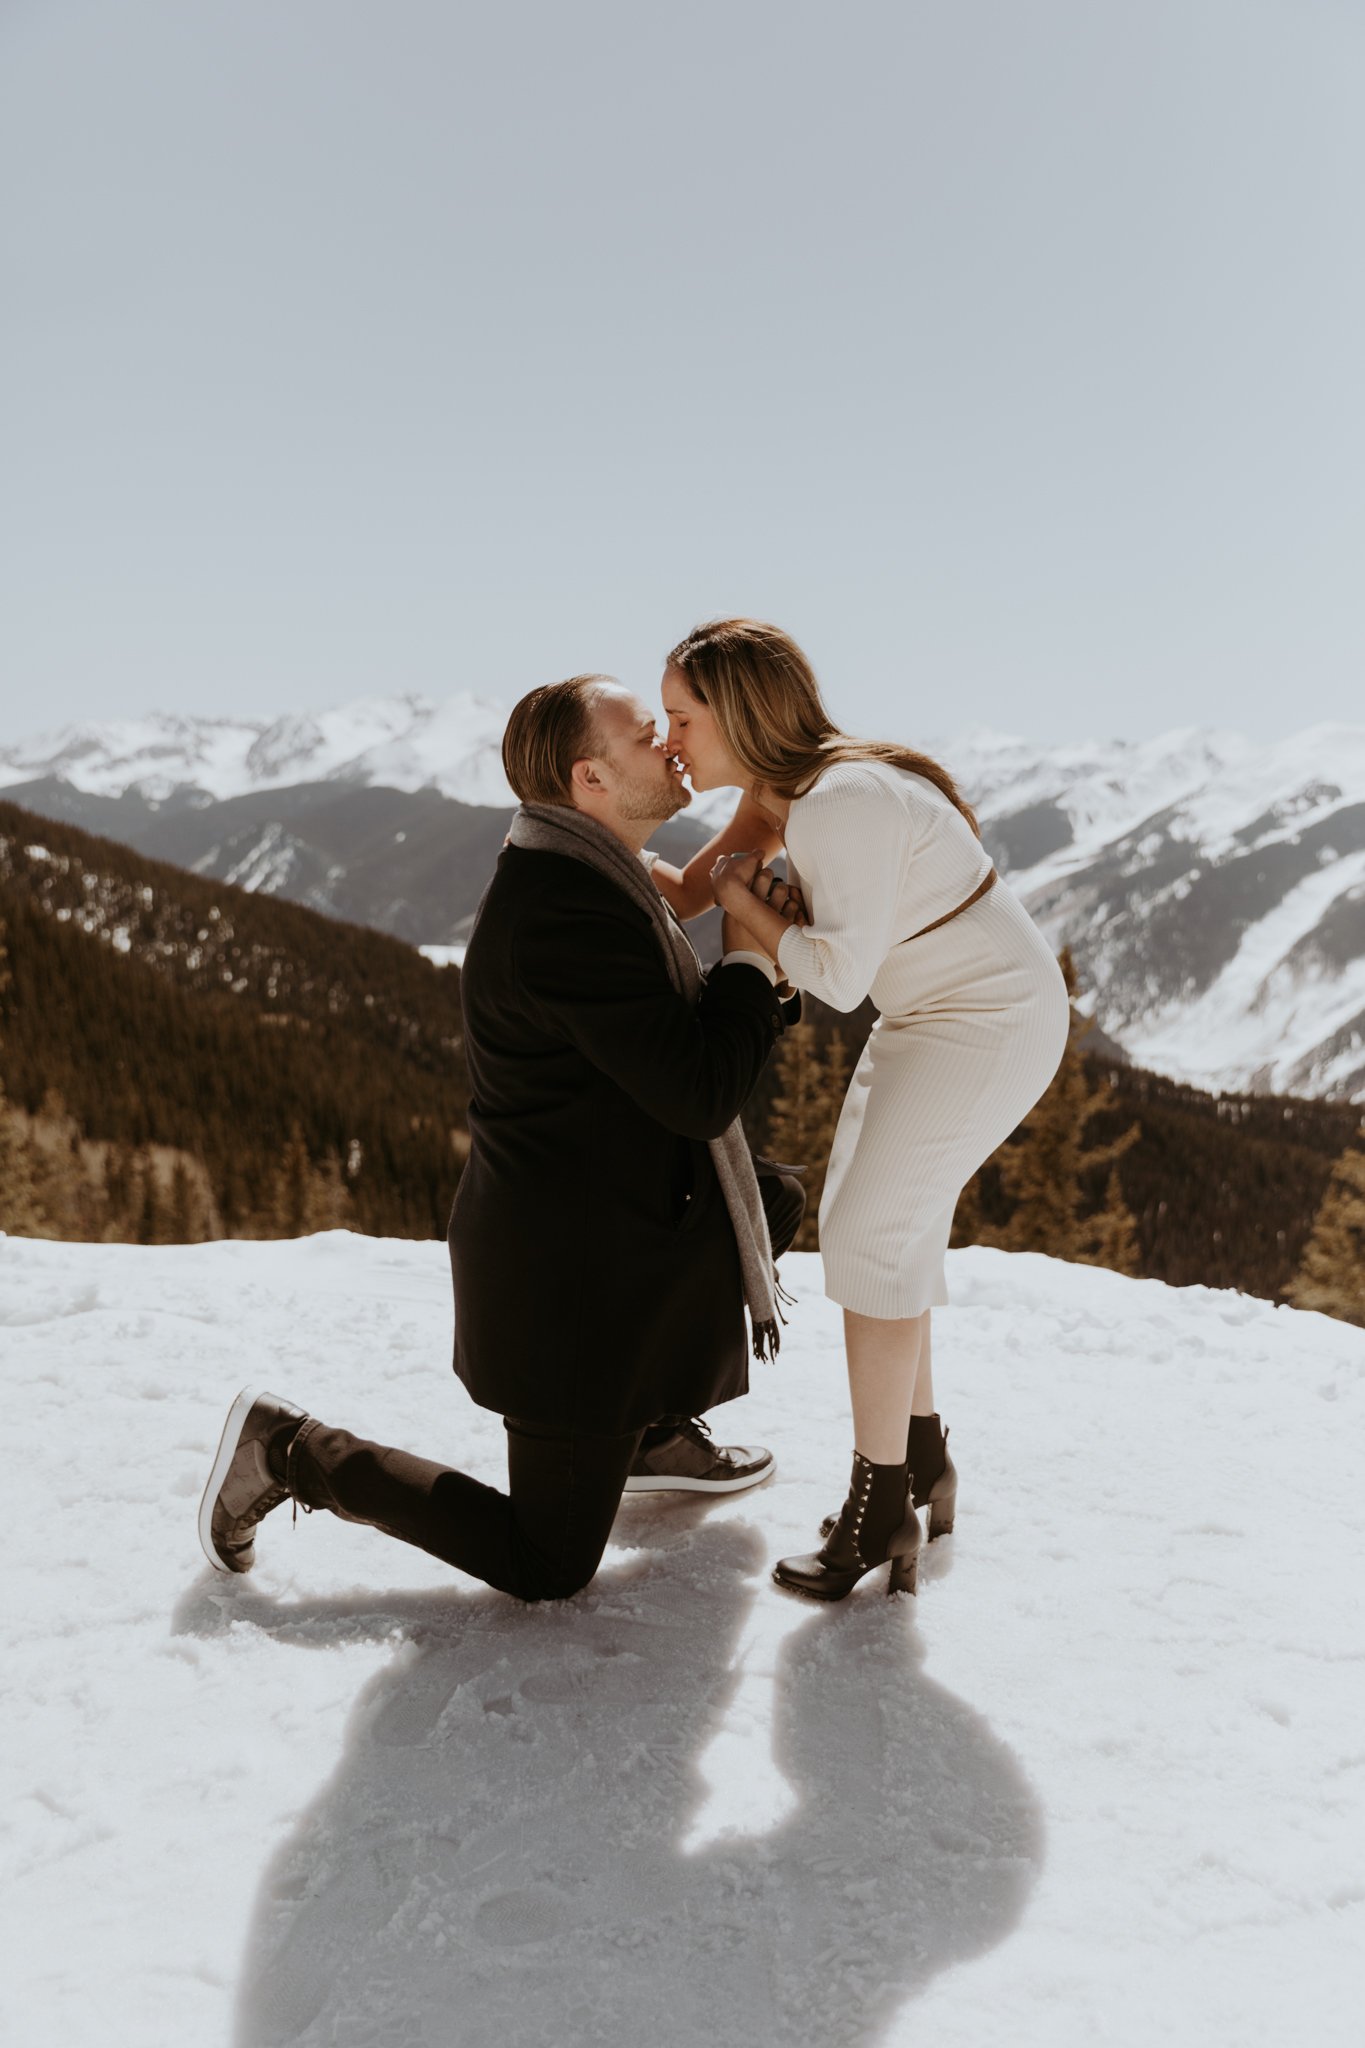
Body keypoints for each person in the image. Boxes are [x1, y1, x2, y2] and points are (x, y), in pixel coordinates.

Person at [199, 674, 804, 1601]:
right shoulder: (563, 915)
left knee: (764, 1199)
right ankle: (290, 1450)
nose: (673, 745)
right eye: (651, 735)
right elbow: (695, 1091)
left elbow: (676, 962)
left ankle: (641, 1431)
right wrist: (753, 959)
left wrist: (758, 862)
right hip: (567, 1291)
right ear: (590, 779)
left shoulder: (586, 869)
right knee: (547, 1565)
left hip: (610, 1223)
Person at [661, 619, 1070, 1599]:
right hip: (936, 1013)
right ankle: (921, 1459)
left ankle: (880, 1505)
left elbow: (835, 979)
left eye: (681, 718)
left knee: (869, 1238)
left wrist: (752, 909)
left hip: (986, 1020)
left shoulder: (840, 799)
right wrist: (574, 843)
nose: (670, 739)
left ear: (740, 713)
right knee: (890, 1235)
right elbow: (688, 889)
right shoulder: (785, 790)